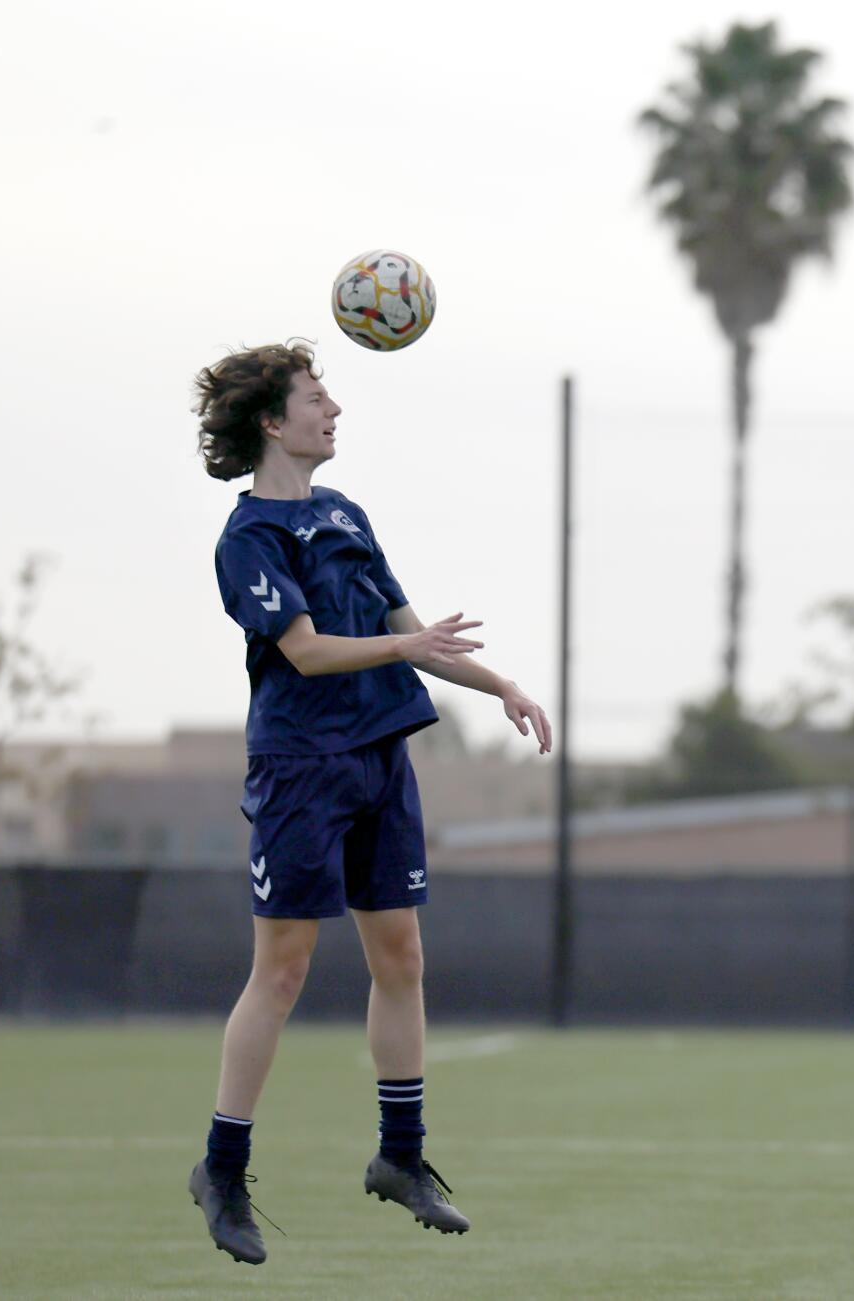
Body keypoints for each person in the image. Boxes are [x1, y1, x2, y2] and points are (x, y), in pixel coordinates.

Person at [186, 341, 552, 1266]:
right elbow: (307, 651)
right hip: (301, 767)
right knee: (283, 970)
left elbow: (409, 635)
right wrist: (409, 648)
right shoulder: (249, 538)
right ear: (274, 420)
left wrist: (500, 683)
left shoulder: (346, 514)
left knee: (403, 955)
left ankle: (401, 1157)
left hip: (378, 758)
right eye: (317, 397)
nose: (334, 409)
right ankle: (222, 1169)